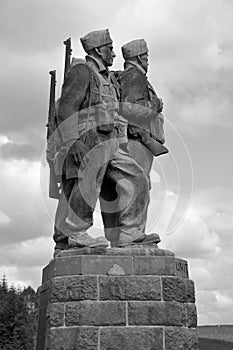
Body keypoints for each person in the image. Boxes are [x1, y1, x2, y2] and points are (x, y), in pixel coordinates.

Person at [53, 29, 152, 256]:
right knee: (86, 186)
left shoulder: (107, 77)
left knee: (137, 180)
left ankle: (130, 233)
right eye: (110, 49)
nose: (114, 55)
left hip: (112, 142)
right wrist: (73, 142)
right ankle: (77, 234)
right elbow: (66, 107)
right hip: (89, 139)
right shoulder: (82, 72)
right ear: (99, 50)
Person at [118, 38, 168, 233]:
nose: (148, 61)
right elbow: (130, 108)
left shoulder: (135, 76)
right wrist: (155, 105)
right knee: (136, 185)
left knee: (140, 185)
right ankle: (131, 232)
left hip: (141, 141)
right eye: (146, 56)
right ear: (140, 57)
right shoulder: (135, 76)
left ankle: (136, 231)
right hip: (137, 140)